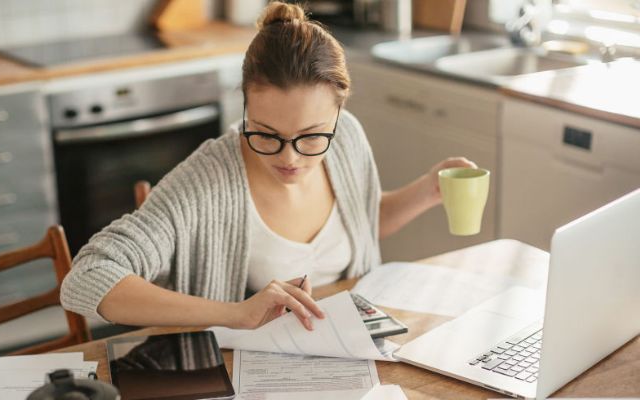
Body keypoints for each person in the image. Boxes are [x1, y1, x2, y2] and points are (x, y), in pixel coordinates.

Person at [60, 1, 475, 331]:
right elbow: (87, 278)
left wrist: (427, 190)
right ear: (244, 105)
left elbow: (362, 219)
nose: (289, 157)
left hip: (350, 350)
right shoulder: (208, 180)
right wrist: (235, 313)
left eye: (312, 136)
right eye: (266, 133)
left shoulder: (346, 137)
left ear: (339, 112)